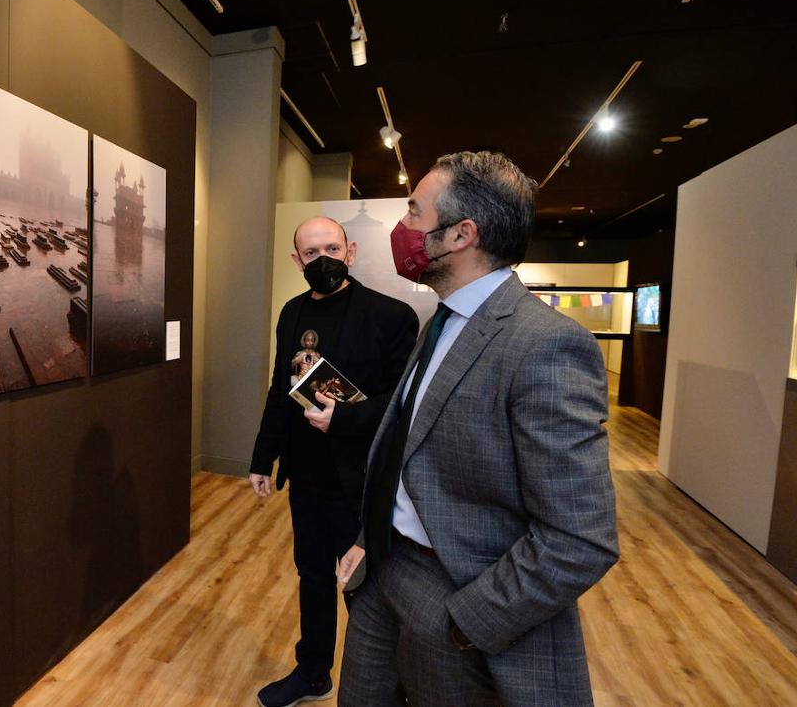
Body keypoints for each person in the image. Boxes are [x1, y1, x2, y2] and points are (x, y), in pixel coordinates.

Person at [335, 151, 618, 707]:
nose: (402, 229)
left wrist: (466, 622)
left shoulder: (544, 345)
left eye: (414, 213)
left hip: (456, 600)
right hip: (382, 575)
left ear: (461, 234)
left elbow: (580, 538)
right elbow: (405, 450)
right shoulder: (439, 321)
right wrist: (370, 538)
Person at [250, 216, 418, 707]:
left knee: (368, 590)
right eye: (310, 252)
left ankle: (387, 686)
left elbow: (404, 402)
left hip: (361, 479)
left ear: (350, 251)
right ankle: (312, 671)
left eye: (330, 248)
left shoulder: (390, 315)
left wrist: (343, 420)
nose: (321, 259)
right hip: (306, 477)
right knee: (314, 576)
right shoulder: (290, 313)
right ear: (296, 260)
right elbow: (281, 392)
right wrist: (264, 457)